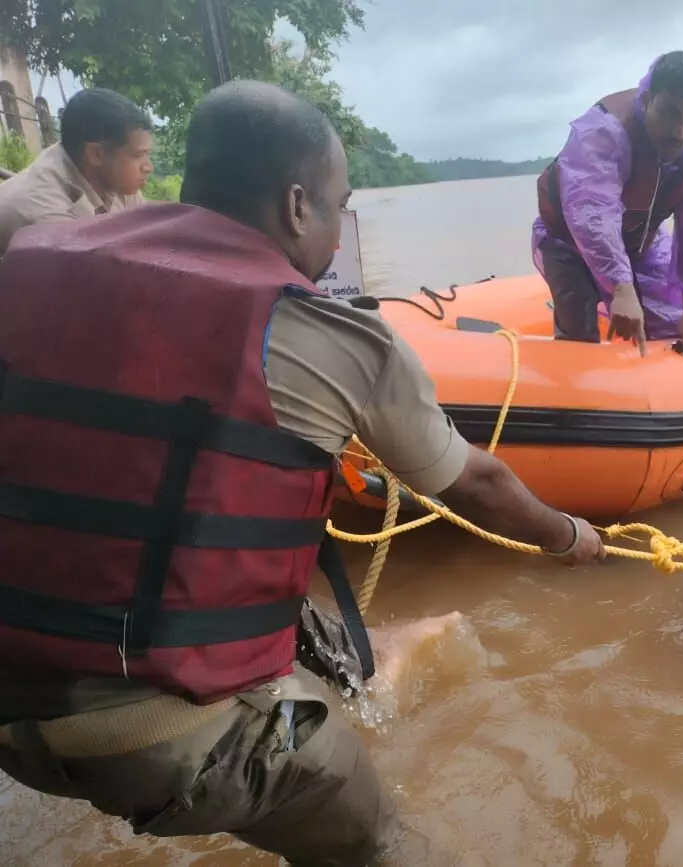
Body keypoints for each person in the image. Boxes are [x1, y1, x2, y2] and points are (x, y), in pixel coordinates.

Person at [0, 80, 604, 867]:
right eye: (335, 204)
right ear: (295, 207)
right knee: (356, 802)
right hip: (157, 738)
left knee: (307, 630)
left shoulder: (29, 261)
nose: (336, 230)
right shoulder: (335, 336)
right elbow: (479, 485)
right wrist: (569, 536)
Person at [533, 50, 683, 359]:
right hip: (568, 242)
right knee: (580, 337)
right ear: (648, 100)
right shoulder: (605, 130)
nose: (682, 132)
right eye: (670, 113)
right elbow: (592, 214)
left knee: (670, 323)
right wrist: (621, 289)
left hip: (638, 240)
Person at [0, 86, 153, 255]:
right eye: (138, 155)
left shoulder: (111, 177)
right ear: (96, 154)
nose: (148, 167)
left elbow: (144, 234)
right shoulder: (47, 216)